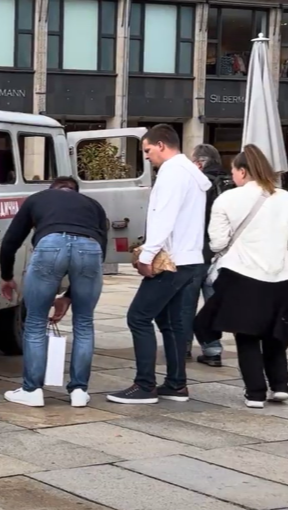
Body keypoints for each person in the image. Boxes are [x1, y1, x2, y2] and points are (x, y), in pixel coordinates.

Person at [107, 124, 211, 405]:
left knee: (138, 317)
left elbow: (164, 217)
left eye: (148, 150)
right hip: (190, 259)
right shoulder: (190, 173)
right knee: (171, 322)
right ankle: (176, 384)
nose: (147, 156)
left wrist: (145, 255)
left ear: (162, 145)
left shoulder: (172, 173)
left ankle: (144, 385)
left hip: (171, 260)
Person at [0, 176, 107, 408]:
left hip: (51, 245)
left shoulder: (38, 199)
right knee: (85, 323)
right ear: (76, 192)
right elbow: (102, 253)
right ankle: (79, 390)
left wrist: (7, 276)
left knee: (36, 321)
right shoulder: (93, 205)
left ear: (52, 190)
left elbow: (10, 241)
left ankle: (32, 390)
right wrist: (68, 296)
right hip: (90, 248)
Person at [194, 145, 288, 408]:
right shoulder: (285, 198)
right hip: (281, 276)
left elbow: (217, 243)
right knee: (275, 332)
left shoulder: (227, 199)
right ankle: (280, 385)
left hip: (242, 274)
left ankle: (255, 392)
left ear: (243, 171)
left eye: (234, 170)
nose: (232, 175)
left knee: (246, 334)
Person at [183, 144, 232, 366]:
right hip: (225, 256)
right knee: (214, 304)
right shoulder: (234, 183)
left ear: (200, 163)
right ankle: (212, 350)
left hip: (197, 251)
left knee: (186, 301)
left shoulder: (198, 184)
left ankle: (182, 347)